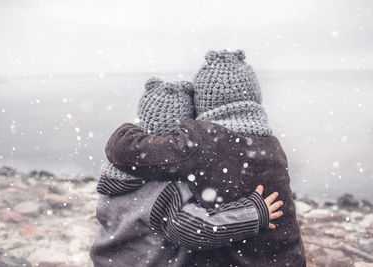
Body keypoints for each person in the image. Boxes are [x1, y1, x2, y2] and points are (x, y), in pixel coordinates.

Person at [105, 50, 306, 266]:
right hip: (288, 255)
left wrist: (124, 136)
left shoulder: (204, 141)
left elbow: (135, 154)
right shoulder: (272, 144)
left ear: (203, 103)